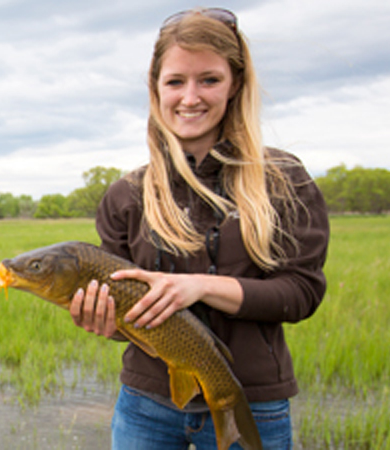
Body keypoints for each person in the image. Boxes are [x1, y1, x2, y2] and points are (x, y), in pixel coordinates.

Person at [69, 7, 329, 450]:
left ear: (235, 86)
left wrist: (202, 287)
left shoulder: (283, 178)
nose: (190, 97)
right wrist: (101, 319)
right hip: (146, 405)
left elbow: (301, 294)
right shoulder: (127, 195)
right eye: (175, 81)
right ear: (155, 89)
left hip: (252, 400)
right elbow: (128, 315)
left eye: (208, 79)